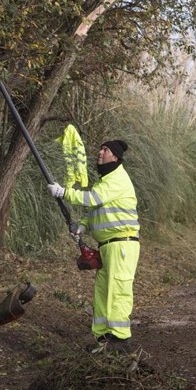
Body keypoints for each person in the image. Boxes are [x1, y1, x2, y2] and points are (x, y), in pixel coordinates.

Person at [47, 140, 140, 351]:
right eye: (100, 148)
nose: (100, 152)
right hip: (108, 246)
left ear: (115, 156)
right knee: (102, 292)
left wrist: (64, 193)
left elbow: (93, 199)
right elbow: (96, 211)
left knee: (117, 291)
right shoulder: (105, 180)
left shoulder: (117, 179)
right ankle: (103, 338)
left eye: (105, 150)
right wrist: (82, 227)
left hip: (121, 245)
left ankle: (119, 341)